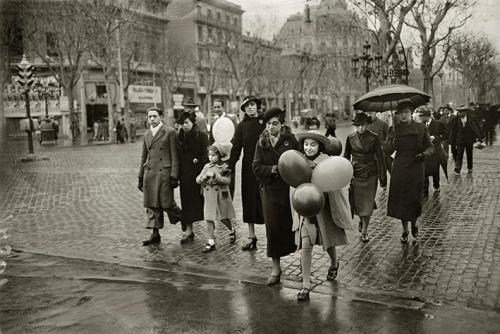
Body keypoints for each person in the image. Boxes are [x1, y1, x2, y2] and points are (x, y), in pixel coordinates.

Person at [293, 130, 353, 301]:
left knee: (328, 242)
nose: (309, 148)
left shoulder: (327, 162)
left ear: (319, 146)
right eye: (306, 144)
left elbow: (335, 184)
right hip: (306, 211)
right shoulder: (299, 161)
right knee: (306, 245)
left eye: (313, 144)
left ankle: (334, 263)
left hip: (324, 210)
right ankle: (305, 285)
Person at [252, 107, 299, 285]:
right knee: (273, 229)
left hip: (289, 190)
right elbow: (255, 167)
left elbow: (300, 159)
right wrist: (272, 169)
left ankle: (304, 263)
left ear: (282, 124)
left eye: (274, 124)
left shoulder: (290, 139)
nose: (270, 127)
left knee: (294, 228)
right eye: (268, 124)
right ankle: (276, 268)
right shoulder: (261, 143)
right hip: (270, 191)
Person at [386, 99, 433, 243]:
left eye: (406, 112)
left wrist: (424, 155)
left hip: (416, 166)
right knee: (401, 199)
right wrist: (391, 140)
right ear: (397, 115)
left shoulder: (421, 128)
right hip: (400, 166)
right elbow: (387, 151)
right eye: (400, 113)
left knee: (414, 198)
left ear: (411, 113)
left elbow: (431, 147)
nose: (403, 116)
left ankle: (414, 224)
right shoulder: (393, 129)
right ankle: (405, 229)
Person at [138, 106, 182, 246]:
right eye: (150, 116)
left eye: (155, 116)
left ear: (161, 117)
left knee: (167, 204)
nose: (152, 119)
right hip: (150, 174)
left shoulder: (170, 132)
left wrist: (174, 176)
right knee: (152, 204)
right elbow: (144, 157)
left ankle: (185, 222)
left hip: (164, 174)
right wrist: (140, 176)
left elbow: (175, 156)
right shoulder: (147, 134)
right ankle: (155, 234)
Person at [228, 96, 266, 251]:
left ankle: (272, 236)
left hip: (265, 167)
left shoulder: (265, 123)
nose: (250, 108)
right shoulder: (242, 126)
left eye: (252, 105)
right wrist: (229, 166)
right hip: (249, 169)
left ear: (257, 106)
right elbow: (236, 148)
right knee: (249, 200)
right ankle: (252, 237)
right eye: (246, 106)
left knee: (267, 201)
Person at [344, 113, 386, 242]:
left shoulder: (374, 138)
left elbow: (380, 158)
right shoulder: (350, 138)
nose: (360, 128)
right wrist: (343, 175)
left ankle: (365, 230)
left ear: (367, 125)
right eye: (357, 126)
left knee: (367, 203)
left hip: (370, 174)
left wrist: (383, 177)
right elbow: (346, 157)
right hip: (355, 173)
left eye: (363, 125)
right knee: (358, 203)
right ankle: (362, 221)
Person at [196, 143, 237, 253]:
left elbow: (227, 181)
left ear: (219, 156)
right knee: (209, 218)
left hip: (220, 195)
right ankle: (211, 241)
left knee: (223, 217)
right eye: (209, 155)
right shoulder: (206, 166)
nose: (211, 157)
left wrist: (215, 176)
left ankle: (231, 230)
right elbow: (198, 177)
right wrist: (200, 179)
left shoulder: (224, 167)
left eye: (213, 155)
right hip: (209, 195)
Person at [177, 111, 209, 244]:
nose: (184, 126)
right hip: (185, 176)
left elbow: (205, 156)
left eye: (186, 123)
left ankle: (212, 233)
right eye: (182, 123)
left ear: (192, 123)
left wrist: (202, 172)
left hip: (199, 175)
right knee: (187, 204)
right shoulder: (179, 138)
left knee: (206, 204)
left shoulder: (201, 136)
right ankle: (189, 232)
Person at [210, 98, 239, 198]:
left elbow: (236, 138)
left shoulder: (231, 120)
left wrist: (232, 153)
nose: (217, 109)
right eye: (215, 107)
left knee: (229, 180)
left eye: (219, 107)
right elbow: (211, 139)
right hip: (217, 157)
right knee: (218, 179)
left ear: (223, 107)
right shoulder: (213, 122)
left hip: (229, 156)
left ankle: (230, 201)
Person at [417, 105, 447, 195]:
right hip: (425, 150)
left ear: (427, 116)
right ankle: (424, 189)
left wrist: (436, 138)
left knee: (435, 169)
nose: (420, 118)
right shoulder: (420, 125)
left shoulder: (438, 123)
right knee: (424, 170)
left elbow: (445, 134)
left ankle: (436, 185)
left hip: (435, 151)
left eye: (422, 116)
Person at [448, 105, 484, 175]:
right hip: (460, 140)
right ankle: (458, 168)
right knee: (459, 154)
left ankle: (470, 168)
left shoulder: (471, 119)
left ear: (465, 112)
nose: (460, 113)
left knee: (469, 154)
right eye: (459, 112)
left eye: (461, 112)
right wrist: (452, 141)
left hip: (469, 140)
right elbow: (453, 131)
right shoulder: (456, 120)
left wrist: (479, 138)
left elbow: (477, 128)